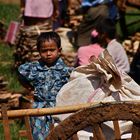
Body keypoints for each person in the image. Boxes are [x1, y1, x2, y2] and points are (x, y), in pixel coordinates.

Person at [18, 31, 73, 140]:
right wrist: (30, 88)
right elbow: (21, 73)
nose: (48, 53)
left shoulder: (66, 71)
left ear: (59, 50)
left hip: (60, 108)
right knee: (40, 136)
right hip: (39, 109)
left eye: (52, 50)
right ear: (39, 51)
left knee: (62, 135)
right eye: (44, 51)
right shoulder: (33, 68)